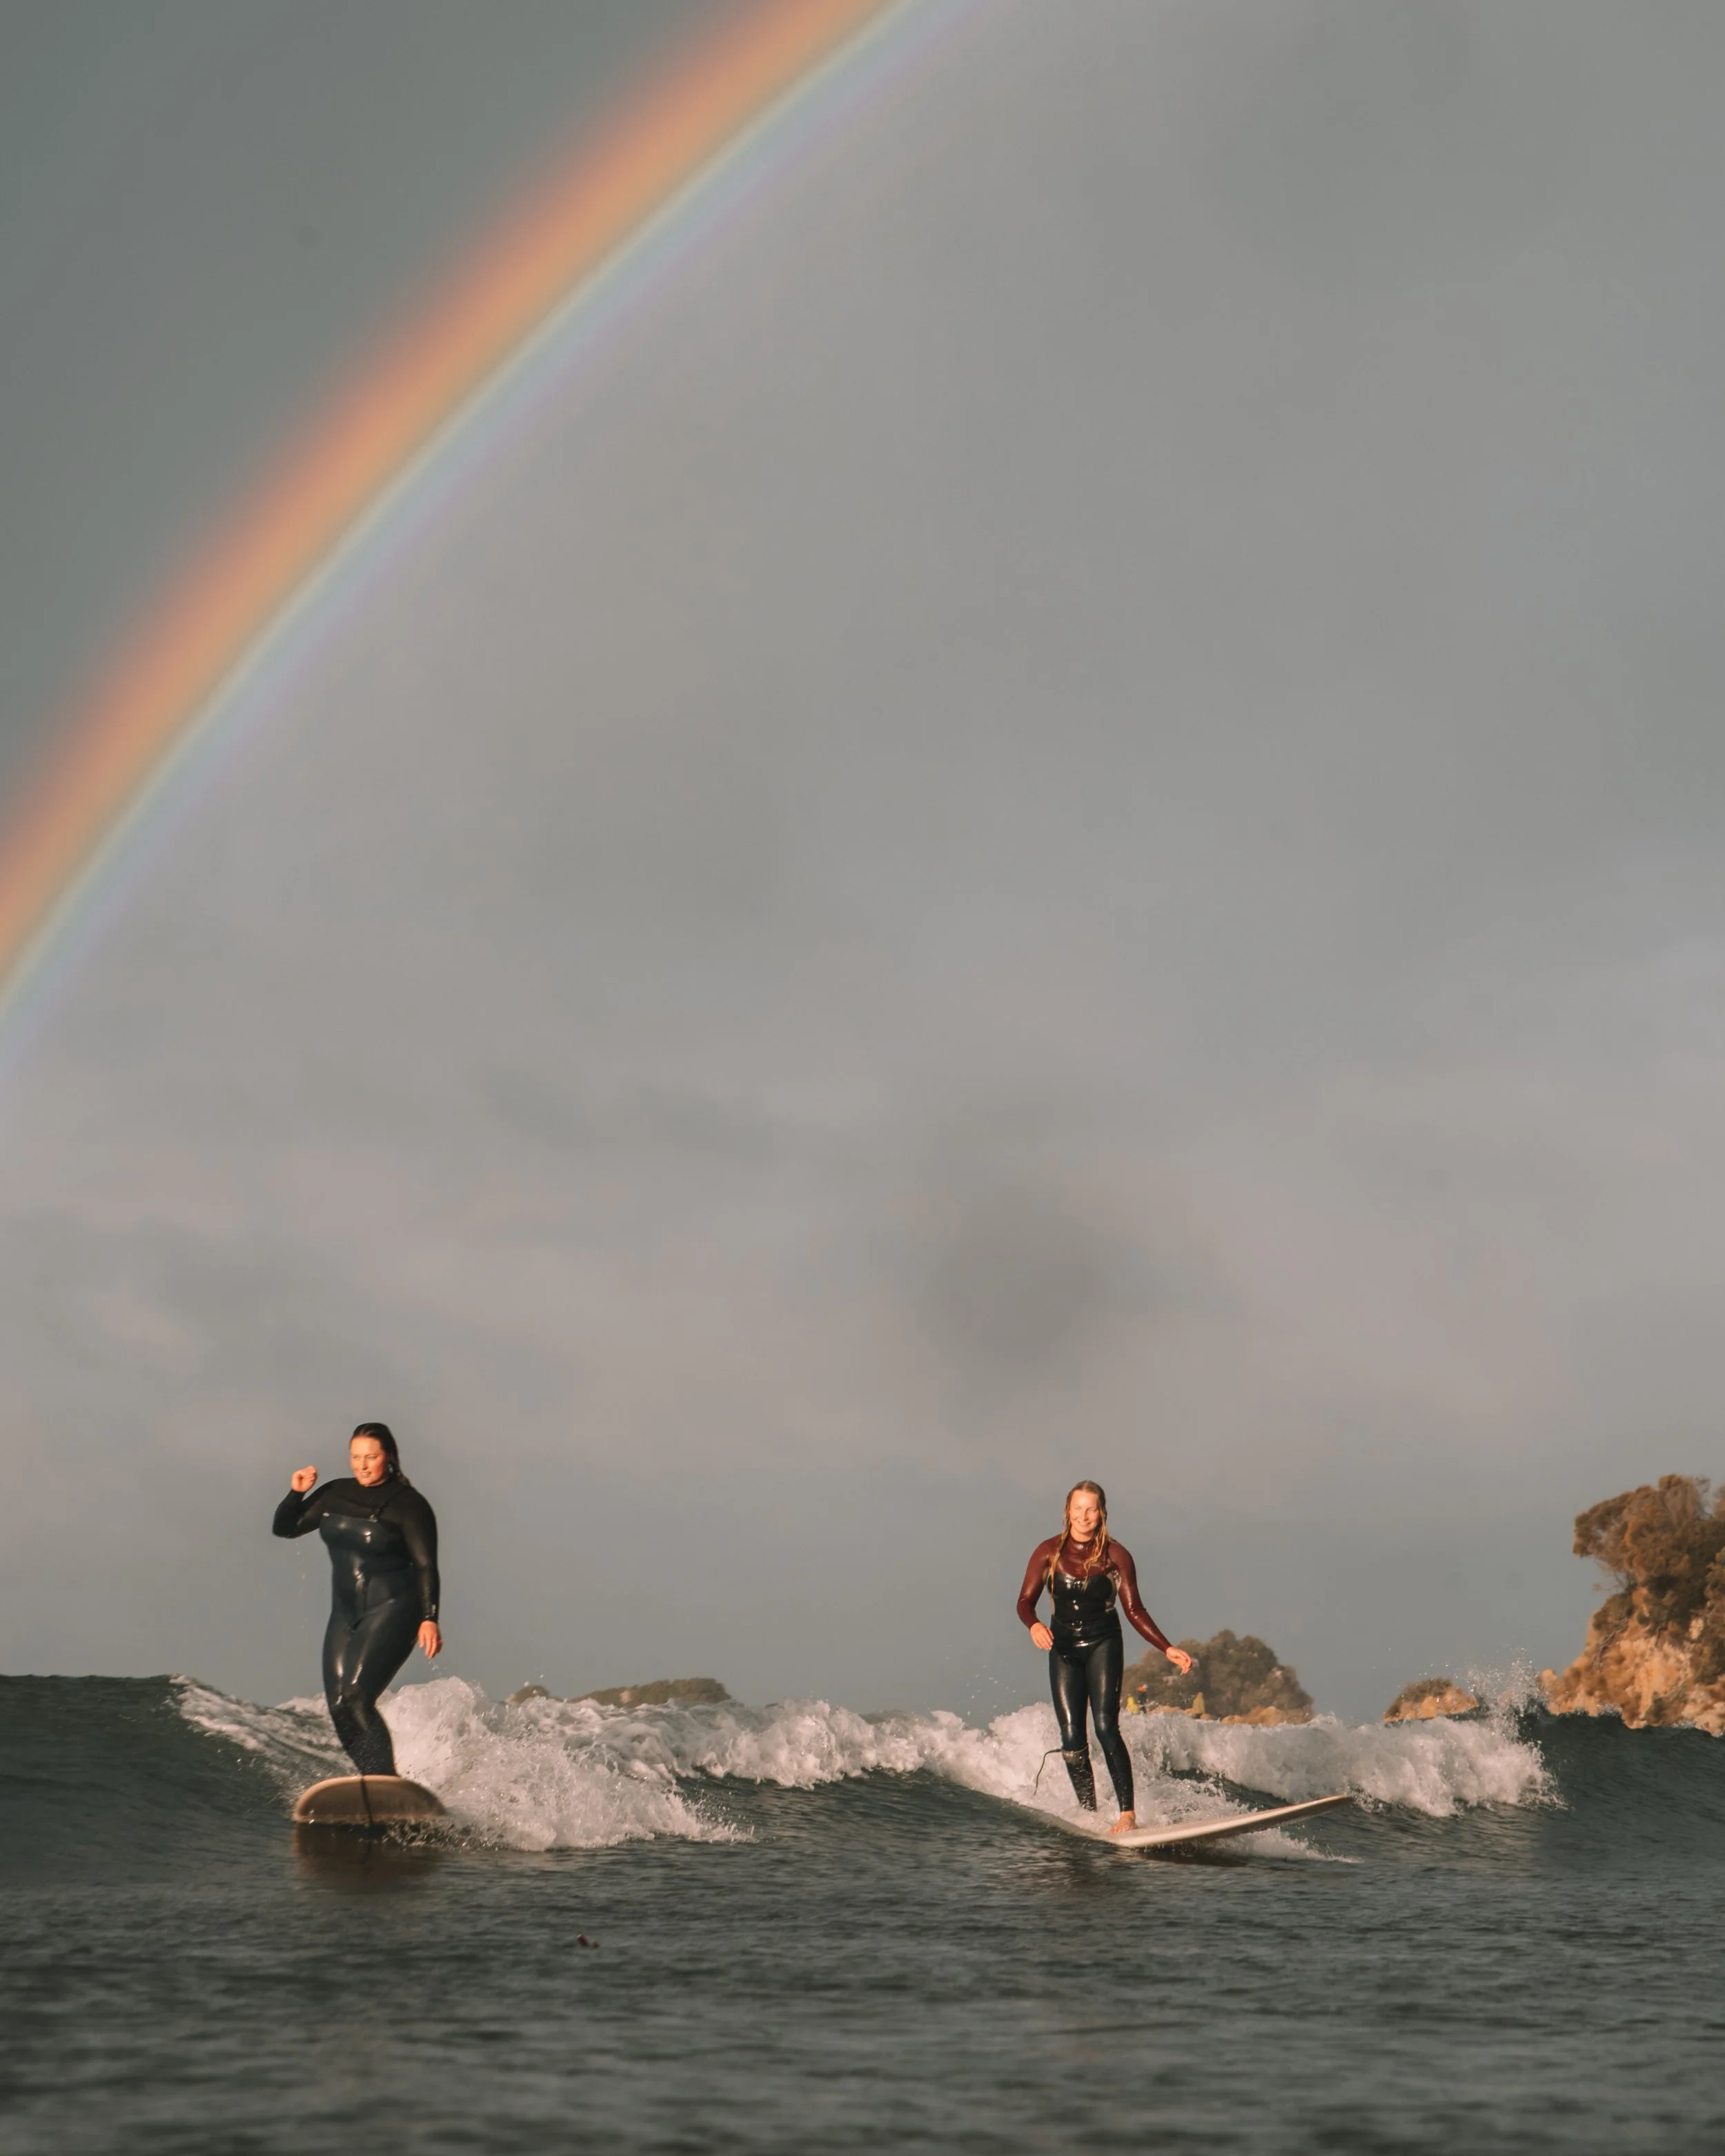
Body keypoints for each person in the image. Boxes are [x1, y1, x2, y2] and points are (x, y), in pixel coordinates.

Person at [1016, 1480, 1192, 1835]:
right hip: (1063, 1648)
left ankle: (1127, 1813)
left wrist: (1166, 1647)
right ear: (1068, 1510)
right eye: (1078, 1508)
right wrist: (1033, 1625)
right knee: (1070, 1736)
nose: (1084, 1516)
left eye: (1091, 1509)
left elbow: (1135, 1609)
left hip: (1103, 1643)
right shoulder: (1048, 1552)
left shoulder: (1116, 1556)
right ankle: (1090, 1813)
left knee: (1105, 1725)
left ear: (1102, 1513)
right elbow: (1024, 1601)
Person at [272, 1422, 441, 1777]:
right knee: (337, 1705)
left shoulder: (409, 1506)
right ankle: (372, 1782)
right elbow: (286, 1528)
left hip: (395, 1608)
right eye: (356, 1457)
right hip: (344, 1614)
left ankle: (385, 1781)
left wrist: (429, 1617)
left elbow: (426, 1565)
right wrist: (295, 1494)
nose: (362, 1465)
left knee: (356, 1697)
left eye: (371, 1457)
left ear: (389, 1457)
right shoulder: (334, 1494)